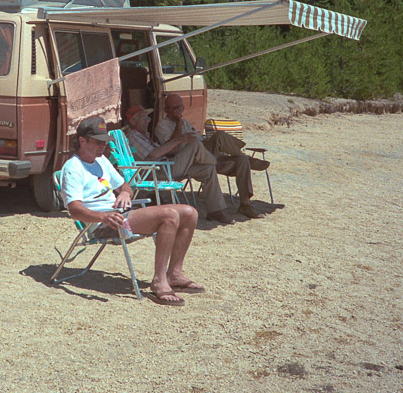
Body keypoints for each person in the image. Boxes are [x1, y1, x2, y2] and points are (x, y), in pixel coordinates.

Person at [61, 116, 202, 307]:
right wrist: (103, 216)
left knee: (190, 212)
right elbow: (74, 209)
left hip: (118, 215)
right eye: (97, 141)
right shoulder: (73, 168)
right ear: (82, 140)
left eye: (105, 142)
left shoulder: (101, 161)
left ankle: (174, 274)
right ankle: (159, 281)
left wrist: (125, 194)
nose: (102, 146)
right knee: (170, 215)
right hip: (103, 223)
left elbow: (125, 186)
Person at [155, 93, 269, 219]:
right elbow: (173, 150)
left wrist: (210, 143)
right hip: (185, 160)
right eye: (174, 108)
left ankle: (244, 205)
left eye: (180, 107)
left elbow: (201, 141)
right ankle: (218, 162)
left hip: (203, 156)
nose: (178, 111)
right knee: (202, 143)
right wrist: (178, 123)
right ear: (166, 110)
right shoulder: (162, 126)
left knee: (239, 157)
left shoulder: (186, 123)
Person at [122, 105, 234, 224]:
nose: (147, 122)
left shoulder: (145, 136)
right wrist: (179, 139)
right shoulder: (133, 136)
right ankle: (216, 163)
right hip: (156, 171)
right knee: (194, 144)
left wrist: (179, 145)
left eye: (148, 119)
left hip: (166, 166)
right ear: (132, 121)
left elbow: (162, 152)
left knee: (207, 168)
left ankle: (215, 211)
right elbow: (154, 154)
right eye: (144, 119)